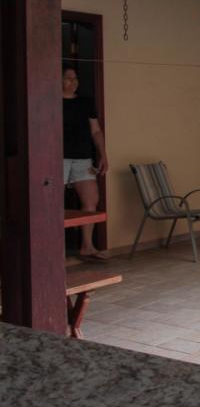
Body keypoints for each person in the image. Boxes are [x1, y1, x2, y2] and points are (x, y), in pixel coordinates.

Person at [62, 65, 109, 261]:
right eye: (68, 78)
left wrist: (103, 155)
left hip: (83, 158)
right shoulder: (51, 100)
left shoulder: (85, 102)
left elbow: (95, 130)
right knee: (52, 202)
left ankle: (87, 246)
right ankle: (53, 250)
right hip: (58, 158)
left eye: (75, 78)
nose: (73, 82)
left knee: (91, 200)